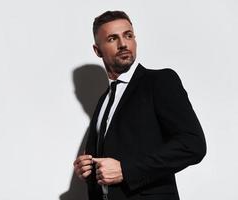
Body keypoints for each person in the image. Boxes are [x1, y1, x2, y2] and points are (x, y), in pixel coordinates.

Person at [73, 10, 206, 200]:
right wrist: (87, 169)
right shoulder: (103, 101)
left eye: (128, 35)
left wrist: (126, 170)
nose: (123, 44)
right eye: (112, 39)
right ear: (97, 50)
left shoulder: (159, 81)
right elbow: (108, 162)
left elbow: (193, 145)